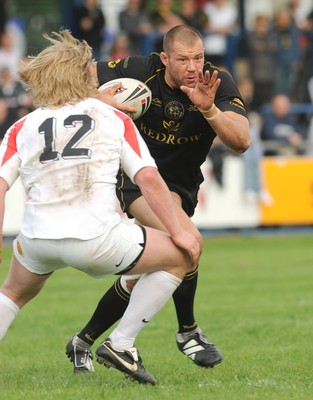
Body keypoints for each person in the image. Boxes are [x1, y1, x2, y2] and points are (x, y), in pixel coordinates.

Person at [0, 29, 201, 385]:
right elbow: (149, 180)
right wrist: (180, 231)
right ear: (83, 75)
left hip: (37, 240)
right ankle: (121, 345)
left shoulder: (22, 126)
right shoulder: (112, 117)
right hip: (97, 238)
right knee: (182, 256)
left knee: (12, 293)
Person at [66, 24, 250, 373]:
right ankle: (186, 333)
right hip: (138, 179)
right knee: (188, 244)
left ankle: (83, 341)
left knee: (150, 271)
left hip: (181, 184)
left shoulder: (217, 82)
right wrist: (99, 98)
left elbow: (241, 142)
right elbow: (78, 75)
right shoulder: (139, 69)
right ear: (165, 58)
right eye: (183, 59)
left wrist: (210, 110)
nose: (193, 67)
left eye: (198, 58)